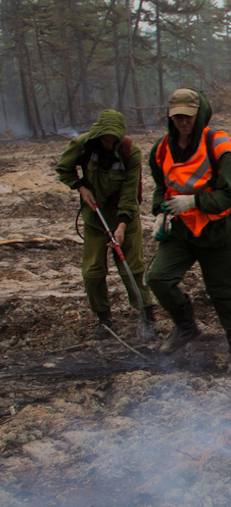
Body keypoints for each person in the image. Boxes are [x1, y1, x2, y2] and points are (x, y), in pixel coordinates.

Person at [147, 88, 231, 370]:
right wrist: (160, 213)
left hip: (217, 230)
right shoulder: (160, 149)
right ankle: (186, 326)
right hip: (181, 230)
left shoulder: (217, 145)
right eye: (177, 116)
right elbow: (161, 186)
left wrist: (194, 201)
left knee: (223, 290)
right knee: (158, 278)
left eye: (188, 116)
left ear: (200, 114)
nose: (183, 122)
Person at [55, 110, 155, 340]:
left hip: (125, 219)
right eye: (105, 139)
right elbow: (63, 169)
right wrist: (80, 186)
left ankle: (146, 317)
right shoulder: (83, 145)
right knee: (92, 272)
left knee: (132, 268)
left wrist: (121, 225)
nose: (110, 144)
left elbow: (130, 194)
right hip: (94, 217)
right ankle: (104, 321)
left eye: (114, 140)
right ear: (98, 135)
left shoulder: (132, 153)